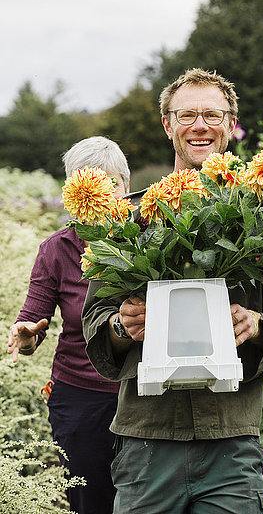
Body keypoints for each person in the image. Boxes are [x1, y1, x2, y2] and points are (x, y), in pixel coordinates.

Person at [82, 69, 263, 514]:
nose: (200, 125)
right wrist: (121, 325)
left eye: (212, 114)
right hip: (147, 440)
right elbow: (94, 319)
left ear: (231, 124)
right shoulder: (128, 218)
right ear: (168, 125)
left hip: (230, 439)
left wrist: (260, 326)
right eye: (187, 115)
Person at [8, 136, 132, 514]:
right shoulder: (57, 249)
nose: (103, 194)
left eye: (112, 184)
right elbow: (33, 319)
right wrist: (27, 337)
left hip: (147, 394)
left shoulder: (152, 239)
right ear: (73, 192)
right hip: (81, 396)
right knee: (91, 499)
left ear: (127, 187)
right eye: (90, 184)